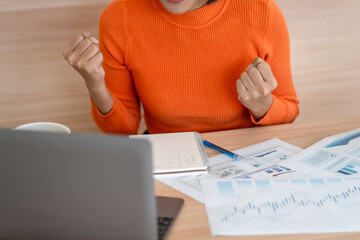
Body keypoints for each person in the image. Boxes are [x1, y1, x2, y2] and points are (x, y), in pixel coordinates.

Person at [63, 0, 299, 135]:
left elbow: (289, 111)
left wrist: (262, 105)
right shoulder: (119, 18)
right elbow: (123, 128)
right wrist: (95, 84)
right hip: (166, 159)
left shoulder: (263, 12)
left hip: (244, 154)